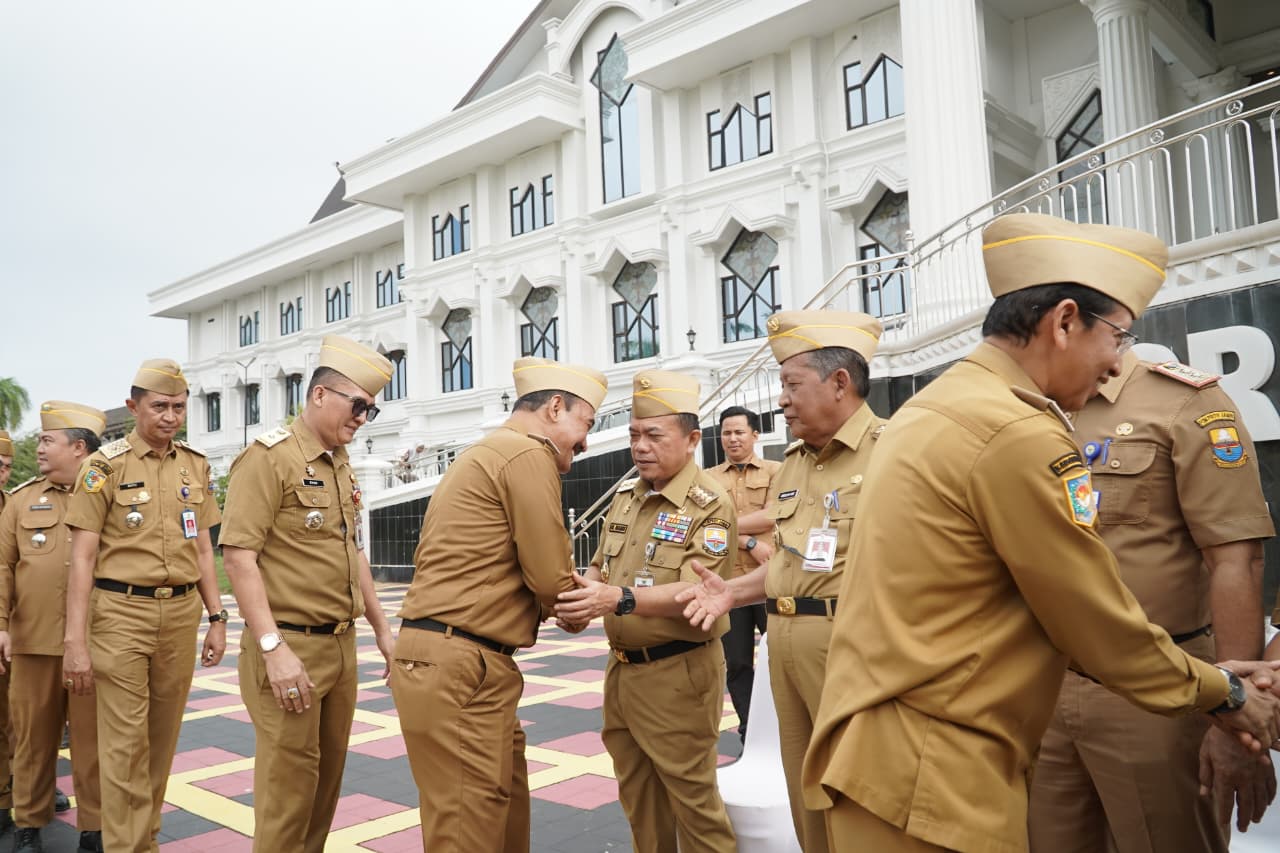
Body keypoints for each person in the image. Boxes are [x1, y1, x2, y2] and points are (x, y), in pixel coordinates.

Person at [789, 213, 1280, 852]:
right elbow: (1093, 621)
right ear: (1065, 322)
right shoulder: (1014, 429)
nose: (1117, 363)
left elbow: (1233, 558)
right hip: (939, 766)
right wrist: (1228, 692)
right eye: (1118, 337)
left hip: (897, 752)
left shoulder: (931, 408)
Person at [1027, 350, 1276, 851]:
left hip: (1160, 693)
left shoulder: (1183, 402)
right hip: (1043, 687)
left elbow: (1236, 561)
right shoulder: (1027, 405)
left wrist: (1231, 717)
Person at [678, 310, 885, 852]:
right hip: (785, 647)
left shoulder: (892, 450)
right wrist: (733, 591)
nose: (782, 401)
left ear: (839, 382)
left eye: (792, 385)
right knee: (803, 796)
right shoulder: (795, 462)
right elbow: (795, 563)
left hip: (851, 649)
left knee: (860, 797)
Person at [390, 356, 607, 852]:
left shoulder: (486, 453)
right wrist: (588, 601)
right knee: (467, 826)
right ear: (555, 407)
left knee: (498, 813)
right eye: (586, 424)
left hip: (455, 658)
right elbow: (550, 576)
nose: (586, 443)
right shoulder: (526, 454)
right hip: (463, 663)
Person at [220, 335, 394, 853]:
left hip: (340, 647)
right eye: (357, 405)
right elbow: (239, 557)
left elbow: (352, 551)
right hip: (290, 647)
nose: (363, 418)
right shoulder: (268, 459)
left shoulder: (338, 463)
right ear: (320, 395)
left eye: (371, 410)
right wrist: (272, 648)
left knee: (323, 790)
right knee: (288, 796)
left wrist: (382, 630)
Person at [556, 369, 738, 853]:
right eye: (634, 435)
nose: (640, 447)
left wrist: (616, 599)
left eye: (654, 436)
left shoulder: (709, 505)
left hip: (678, 673)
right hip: (622, 671)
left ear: (692, 440)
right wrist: (582, 602)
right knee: (639, 799)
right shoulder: (628, 496)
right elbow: (600, 565)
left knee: (694, 803)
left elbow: (695, 590)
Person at [63, 359, 227, 853]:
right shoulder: (104, 467)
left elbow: (204, 549)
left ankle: (144, 840)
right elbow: (82, 557)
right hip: (120, 614)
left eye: (178, 407)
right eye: (159, 406)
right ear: (133, 407)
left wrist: (217, 617)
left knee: (161, 740)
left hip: (180, 615)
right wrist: (75, 641)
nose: (170, 416)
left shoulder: (195, 465)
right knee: (125, 746)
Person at [0, 402, 105, 853]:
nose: (38, 448)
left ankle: (94, 829)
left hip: (95, 644)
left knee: (93, 742)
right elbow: (3, 567)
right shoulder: (21, 500)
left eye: (47, 440)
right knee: (31, 741)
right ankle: (29, 824)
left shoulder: (108, 494)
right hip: (33, 642)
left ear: (78, 448)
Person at [0, 428, 12, 838]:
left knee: (17, 719)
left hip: (14, 626)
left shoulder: (15, 504)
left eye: (7, 466)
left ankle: (21, 788)